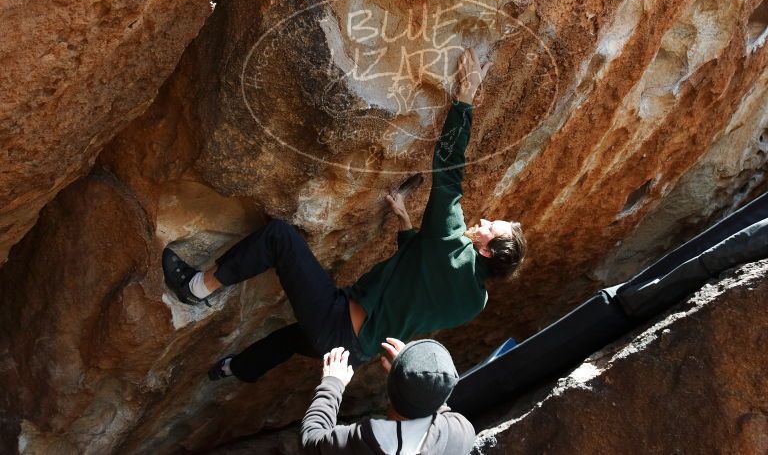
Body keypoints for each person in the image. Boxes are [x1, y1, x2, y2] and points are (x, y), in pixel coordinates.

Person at [161, 47, 527, 382]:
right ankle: (234, 368)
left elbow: (450, 173)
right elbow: (416, 283)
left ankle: (196, 289)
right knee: (291, 339)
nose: (483, 221)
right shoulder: (474, 302)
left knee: (280, 238)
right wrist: (404, 223)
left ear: (487, 251)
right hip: (353, 354)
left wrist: (465, 99)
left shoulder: (452, 246)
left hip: (337, 324)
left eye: (491, 226)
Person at [301, 338, 475, 454]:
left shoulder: (368, 440)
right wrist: (411, 378)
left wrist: (332, 383)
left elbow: (311, 439)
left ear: (390, 388)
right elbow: (436, 404)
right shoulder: (462, 431)